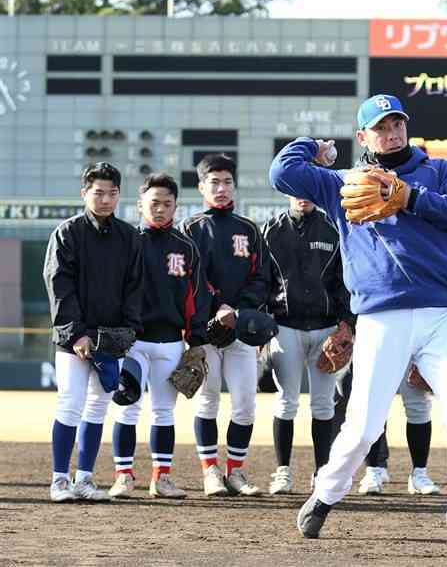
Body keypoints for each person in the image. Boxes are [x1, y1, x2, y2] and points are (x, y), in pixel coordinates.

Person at [270, 94, 447, 549]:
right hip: (380, 317)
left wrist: (411, 196)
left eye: (397, 123)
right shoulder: (343, 181)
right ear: (363, 136)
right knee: (362, 427)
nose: (392, 132)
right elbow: (281, 173)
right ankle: (327, 492)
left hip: (438, 314)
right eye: (381, 126)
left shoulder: (438, 172)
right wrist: (311, 148)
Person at [106, 173, 211, 499]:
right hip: (133, 343)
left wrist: (196, 338)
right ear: (140, 205)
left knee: (164, 412)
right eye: (154, 203)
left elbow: (196, 297)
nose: (161, 209)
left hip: (170, 342)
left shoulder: (185, 247)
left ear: (176, 206)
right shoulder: (127, 242)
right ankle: (123, 475)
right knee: (127, 408)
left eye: (167, 203)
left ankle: (161, 478)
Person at [43, 162, 143, 502]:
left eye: (112, 193)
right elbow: (60, 288)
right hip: (74, 340)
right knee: (70, 404)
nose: (105, 199)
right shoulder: (67, 233)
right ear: (84, 193)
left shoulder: (129, 237)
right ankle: (59, 480)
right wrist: (76, 334)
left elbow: (135, 288)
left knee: (98, 408)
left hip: (111, 338)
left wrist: (128, 332)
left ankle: (84, 479)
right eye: (98, 192)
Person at [180, 154, 269, 497]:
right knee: (208, 400)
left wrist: (238, 309)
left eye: (227, 182)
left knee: (246, 403)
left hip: (240, 330)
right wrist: (216, 307)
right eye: (213, 182)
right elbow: (189, 280)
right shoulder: (190, 228)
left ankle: (236, 471)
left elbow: (261, 278)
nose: (221, 188)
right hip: (204, 331)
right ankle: (210, 472)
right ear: (201, 187)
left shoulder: (247, 228)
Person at [262, 195, 352, 494]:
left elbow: (344, 280)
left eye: (307, 189)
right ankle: (282, 471)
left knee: (323, 403)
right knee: (286, 400)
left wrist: (346, 322)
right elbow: (264, 281)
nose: (302, 196)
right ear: (287, 191)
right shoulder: (271, 230)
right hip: (285, 325)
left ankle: (322, 470)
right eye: (296, 189)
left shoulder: (332, 228)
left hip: (326, 328)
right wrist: (262, 329)